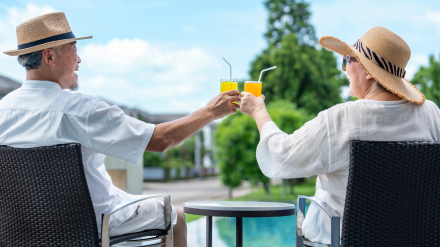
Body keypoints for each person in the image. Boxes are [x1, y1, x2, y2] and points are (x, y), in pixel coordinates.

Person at [0, 12, 240, 247]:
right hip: (94, 224)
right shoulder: (81, 110)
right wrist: (210, 112)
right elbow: (160, 139)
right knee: (175, 217)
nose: (79, 60)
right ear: (49, 57)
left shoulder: (3, 111)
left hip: (20, 230)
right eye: (74, 50)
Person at [240, 26, 440, 245]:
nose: (344, 69)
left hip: (339, 240)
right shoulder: (431, 114)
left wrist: (258, 112)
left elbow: (281, 157)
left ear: (368, 71)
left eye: (348, 60)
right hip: (415, 239)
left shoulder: (341, 119)